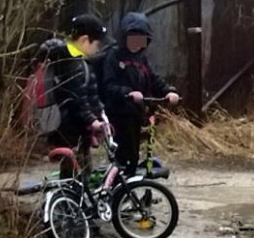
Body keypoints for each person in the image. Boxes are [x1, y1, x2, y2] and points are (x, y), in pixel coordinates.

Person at [95, 11, 179, 177]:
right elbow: (108, 86)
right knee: (124, 155)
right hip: (118, 114)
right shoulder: (114, 56)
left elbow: (154, 79)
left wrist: (169, 91)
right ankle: (118, 190)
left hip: (135, 114)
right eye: (132, 37)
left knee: (133, 156)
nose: (136, 43)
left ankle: (127, 189)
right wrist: (128, 93)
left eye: (141, 39)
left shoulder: (141, 59)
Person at [38, 14, 107, 178]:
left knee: (81, 168)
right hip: (70, 127)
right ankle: (68, 202)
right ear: (84, 40)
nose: (97, 49)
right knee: (75, 171)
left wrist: (100, 112)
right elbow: (78, 97)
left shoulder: (78, 60)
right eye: (96, 44)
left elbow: (89, 93)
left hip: (76, 126)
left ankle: (73, 200)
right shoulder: (72, 63)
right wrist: (92, 120)